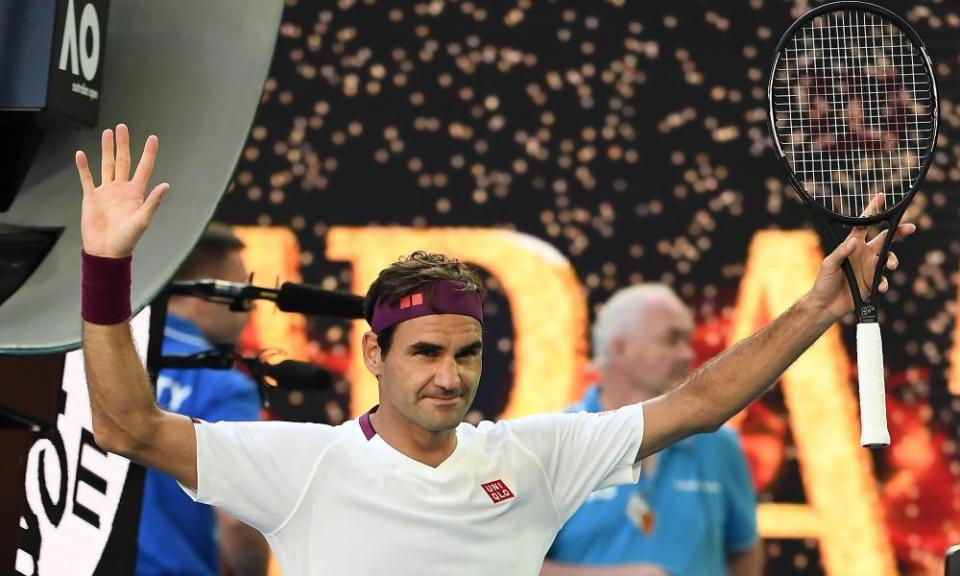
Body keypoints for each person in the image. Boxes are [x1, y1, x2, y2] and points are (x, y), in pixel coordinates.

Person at [74, 125, 912, 576]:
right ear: (374, 355)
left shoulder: (534, 456)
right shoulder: (303, 467)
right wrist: (106, 267)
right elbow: (125, 425)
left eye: (467, 354)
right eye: (426, 352)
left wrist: (819, 304)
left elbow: (699, 403)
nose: (450, 377)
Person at [542, 285, 763, 576]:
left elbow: (745, 550)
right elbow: (508, 566)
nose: (687, 353)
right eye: (671, 339)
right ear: (619, 348)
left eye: (688, 339)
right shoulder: (556, 443)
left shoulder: (719, 443)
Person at [136, 223, 270, 576]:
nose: (251, 310)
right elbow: (240, 521)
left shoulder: (95, 361)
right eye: (244, 295)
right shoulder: (223, 386)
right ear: (206, 297)